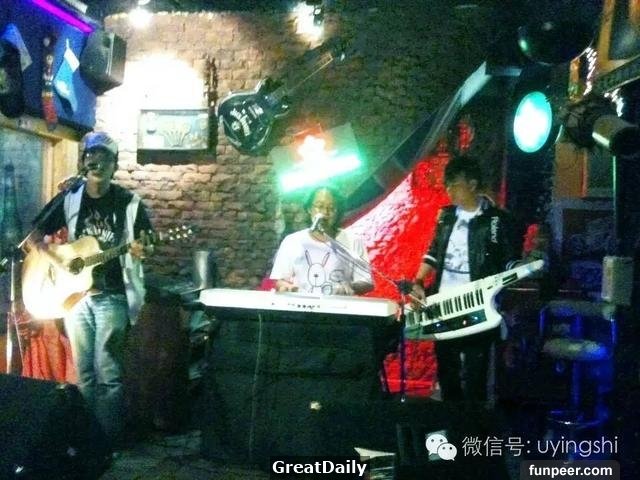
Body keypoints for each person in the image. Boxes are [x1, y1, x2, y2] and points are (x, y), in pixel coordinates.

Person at [31, 131, 153, 448]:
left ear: (114, 164)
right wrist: (57, 260)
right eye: (91, 156)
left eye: (104, 158)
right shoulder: (70, 198)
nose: (97, 162)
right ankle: (86, 439)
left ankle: (106, 442)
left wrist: (143, 249)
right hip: (75, 295)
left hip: (113, 294)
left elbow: (146, 243)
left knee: (108, 372)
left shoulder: (129, 203)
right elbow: (37, 235)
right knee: (83, 372)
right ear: (83, 162)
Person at [412, 154, 521, 403]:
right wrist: (418, 282)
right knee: (447, 369)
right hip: (444, 302)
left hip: (476, 304)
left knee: (475, 372)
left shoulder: (496, 219)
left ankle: (473, 422)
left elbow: (508, 260)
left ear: (472, 184)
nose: (450, 190)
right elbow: (433, 253)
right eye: (447, 185)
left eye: (455, 185)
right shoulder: (446, 216)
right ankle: (451, 419)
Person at [270, 185, 374, 295]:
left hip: (340, 304)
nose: (324, 213)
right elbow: (280, 280)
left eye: (331, 208)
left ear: (338, 212)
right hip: (302, 304)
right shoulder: (292, 241)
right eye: (319, 207)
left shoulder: (353, 241)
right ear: (309, 209)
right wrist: (287, 287)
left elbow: (366, 282)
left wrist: (349, 288)